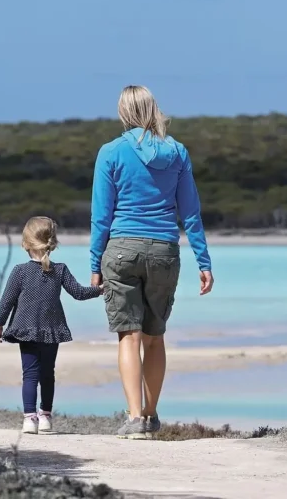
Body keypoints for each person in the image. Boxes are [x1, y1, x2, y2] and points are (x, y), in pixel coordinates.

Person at [90, 85, 214, 440]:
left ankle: (134, 419)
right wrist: (203, 261)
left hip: (122, 250)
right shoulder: (177, 152)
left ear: (123, 113)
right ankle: (151, 413)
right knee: (154, 336)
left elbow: (102, 215)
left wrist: (95, 263)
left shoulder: (110, 152)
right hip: (164, 250)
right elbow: (190, 212)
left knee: (128, 336)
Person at [0, 216, 103, 434]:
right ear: (52, 242)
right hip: (51, 329)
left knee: (30, 375)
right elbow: (79, 293)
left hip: (25, 329)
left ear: (26, 243)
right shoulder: (60, 269)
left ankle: (29, 419)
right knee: (47, 374)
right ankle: (45, 417)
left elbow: (7, 300)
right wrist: (100, 289)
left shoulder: (20, 271)